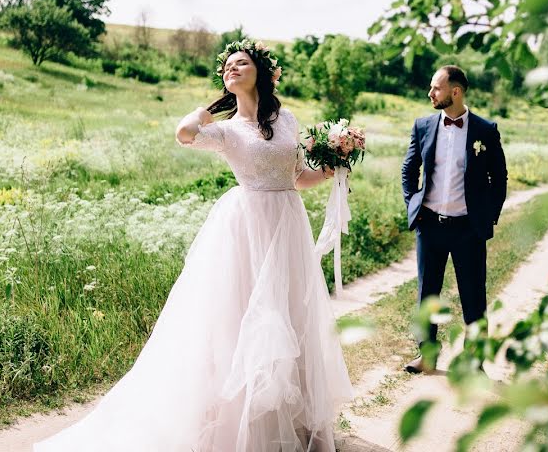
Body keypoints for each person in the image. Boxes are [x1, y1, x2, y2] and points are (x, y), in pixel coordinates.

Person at [34, 39, 353, 451]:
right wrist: (214, 105)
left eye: (241, 64)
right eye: (227, 68)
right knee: (243, 318)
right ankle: (242, 422)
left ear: (262, 72)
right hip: (247, 224)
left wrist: (326, 173)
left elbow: (295, 177)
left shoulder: (287, 119)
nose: (232, 69)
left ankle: (290, 422)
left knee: (290, 313)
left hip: (287, 223)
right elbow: (184, 133)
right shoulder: (225, 130)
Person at [400, 65, 507, 374]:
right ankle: (427, 355)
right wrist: (414, 207)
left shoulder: (485, 130)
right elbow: (409, 170)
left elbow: (499, 178)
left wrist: (488, 218)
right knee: (427, 294)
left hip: (468, 230)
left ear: (455, 92)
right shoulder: (423, 126)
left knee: (474, 297)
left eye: (436, 88)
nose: (430, 93)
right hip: (430, 225)